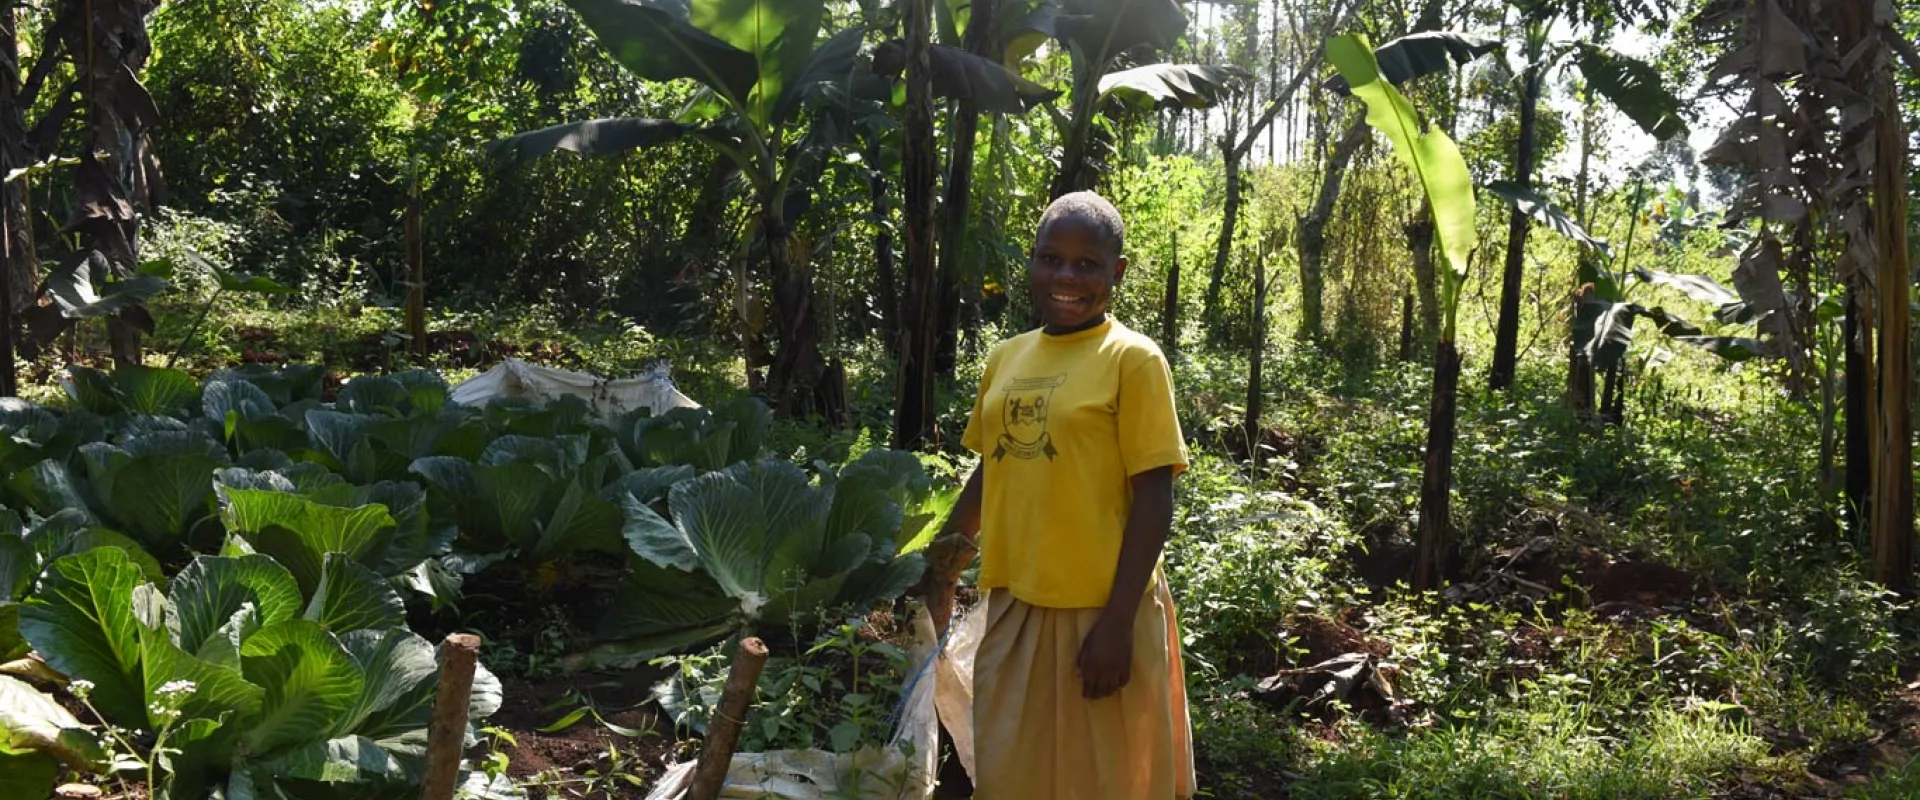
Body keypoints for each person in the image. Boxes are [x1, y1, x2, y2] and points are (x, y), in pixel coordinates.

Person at [927, 191, 1195, 799]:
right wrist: (941, 564)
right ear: (1032, 262)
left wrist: (1118, 624)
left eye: (1087, 264)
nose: (1066, 277)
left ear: (1115, 272)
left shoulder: (1133, 360)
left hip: (1101, 608)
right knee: (1012, 770)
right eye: (1052, 259)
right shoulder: (1006, 358)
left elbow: (1155, 500)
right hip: (1015, 601)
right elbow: (992, 468)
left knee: (1105, 777)